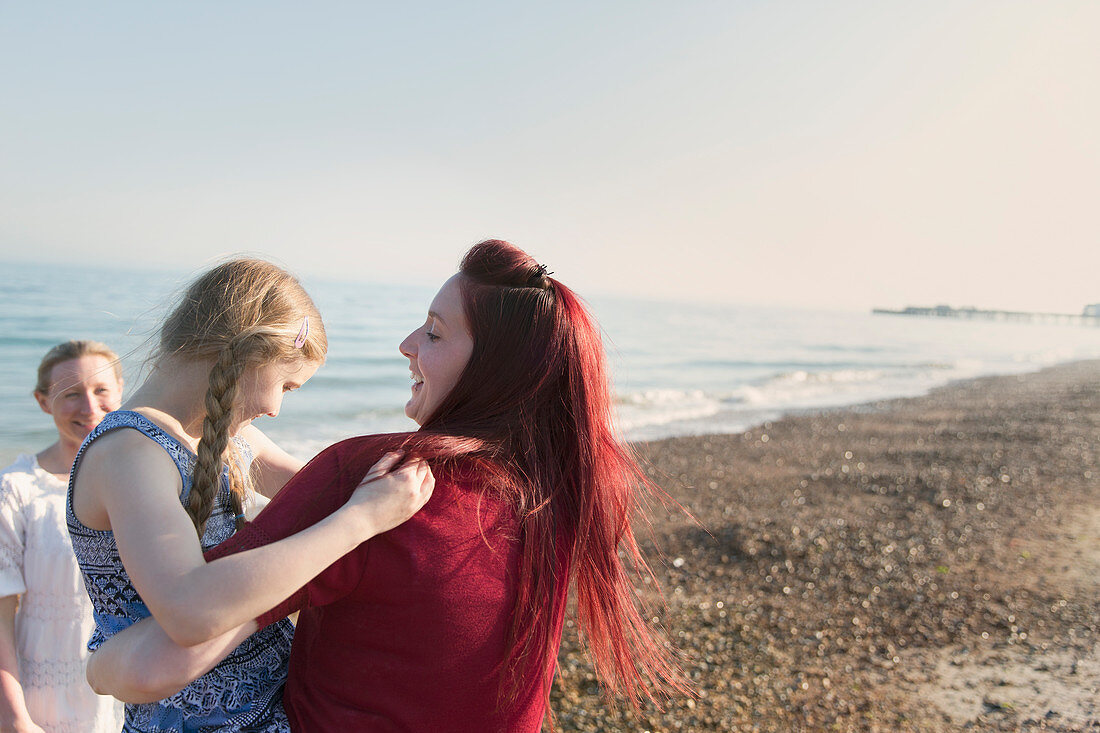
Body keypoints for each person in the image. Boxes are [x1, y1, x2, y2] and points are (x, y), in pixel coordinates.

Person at [88, 241, 687, 731]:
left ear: (494, 366)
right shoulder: (556, 493)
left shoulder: (377, 480)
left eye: (432, 331)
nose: (405, 344)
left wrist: (97, 670)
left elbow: (175, 644)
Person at [65, 258, 434, 732]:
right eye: (285, 384)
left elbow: (320, 489)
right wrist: (359, 521)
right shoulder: (130, 454)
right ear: (247, 357)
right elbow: (188, 609)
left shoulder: (220, 434)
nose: (277, 408)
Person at [0, 341, 126, 733]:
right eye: (71, 394)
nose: (89, 407)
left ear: (120, 391)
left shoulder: (144, 480)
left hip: (132, 689)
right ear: (43, 401)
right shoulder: (16, 489)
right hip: (46, 696)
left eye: (101, 390)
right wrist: (14, 718)